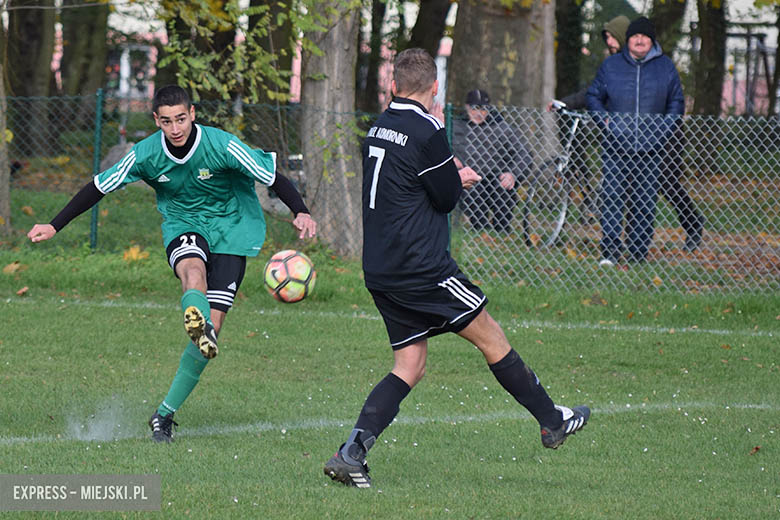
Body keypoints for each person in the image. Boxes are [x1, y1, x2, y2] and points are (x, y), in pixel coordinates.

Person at [323, 48, 590, 489]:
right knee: (491, 334)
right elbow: (445, 197)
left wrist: (445, 168)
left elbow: (409, 181)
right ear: (435, 90)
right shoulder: (427, 128)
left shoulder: (379, 125)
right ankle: (550, 420)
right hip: (422, 267)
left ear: (392, 86)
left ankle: (352, 452)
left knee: (409, 364)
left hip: (381, 268)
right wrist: (458, 176)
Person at [27, 85, 317, 442]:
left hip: (230, 227)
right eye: (166, 122)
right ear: (156, 121)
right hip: (184, 224)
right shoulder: (145, 154)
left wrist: (301, 211)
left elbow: (272, 177)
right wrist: (54, 225)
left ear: (192, 113)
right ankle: (195, 320)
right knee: (192, 270)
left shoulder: (222, 145)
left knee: (213, 331)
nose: (175, 128)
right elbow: (98, 187)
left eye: (181, 119)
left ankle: (163, 413)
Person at [586, 16, 685, 265]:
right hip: (615, 147)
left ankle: (639, 252)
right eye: (635, 36)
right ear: (628, 40)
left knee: (645, 202)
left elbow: (676, 102)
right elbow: (593, 96)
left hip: (651, 149)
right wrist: (605, 122)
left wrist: (664, 129)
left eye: (644, 36)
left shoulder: (666, 67)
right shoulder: (611, 66)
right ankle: (610, 252)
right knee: (612, 199)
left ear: (651, 40)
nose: (639, 40)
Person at [452, 89, 532, 232]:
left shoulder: (502, 128)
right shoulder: (455, 126)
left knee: (504, 186)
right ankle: (479, 227)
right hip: (469, 175)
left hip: (496, 175)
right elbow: (439, 147)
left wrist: (513, 173)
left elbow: (524, 153)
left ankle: (501, 230)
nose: (479, 113)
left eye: (484, 109)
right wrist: (450, 158)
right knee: (472, 188)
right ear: (467, 107)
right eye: (475, 109)